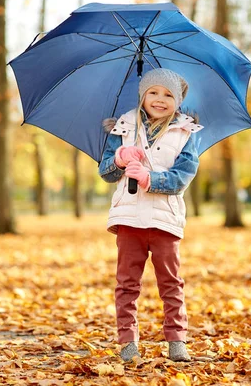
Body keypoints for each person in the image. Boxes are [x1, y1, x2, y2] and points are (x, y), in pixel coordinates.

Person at [99, 68, 203, 362]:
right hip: (129, 217)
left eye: (169, 95)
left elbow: (182, 177)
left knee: (170, 282)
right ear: (143, 95)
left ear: (178, 101)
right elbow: (105, 171)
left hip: (164, 220)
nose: (160, 99)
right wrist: (120, 158)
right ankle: (128, 341)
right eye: (153, 92)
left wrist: (150, 179)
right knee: (127, 282)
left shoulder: (186, 132)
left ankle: (176, 339)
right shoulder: (123, 127)